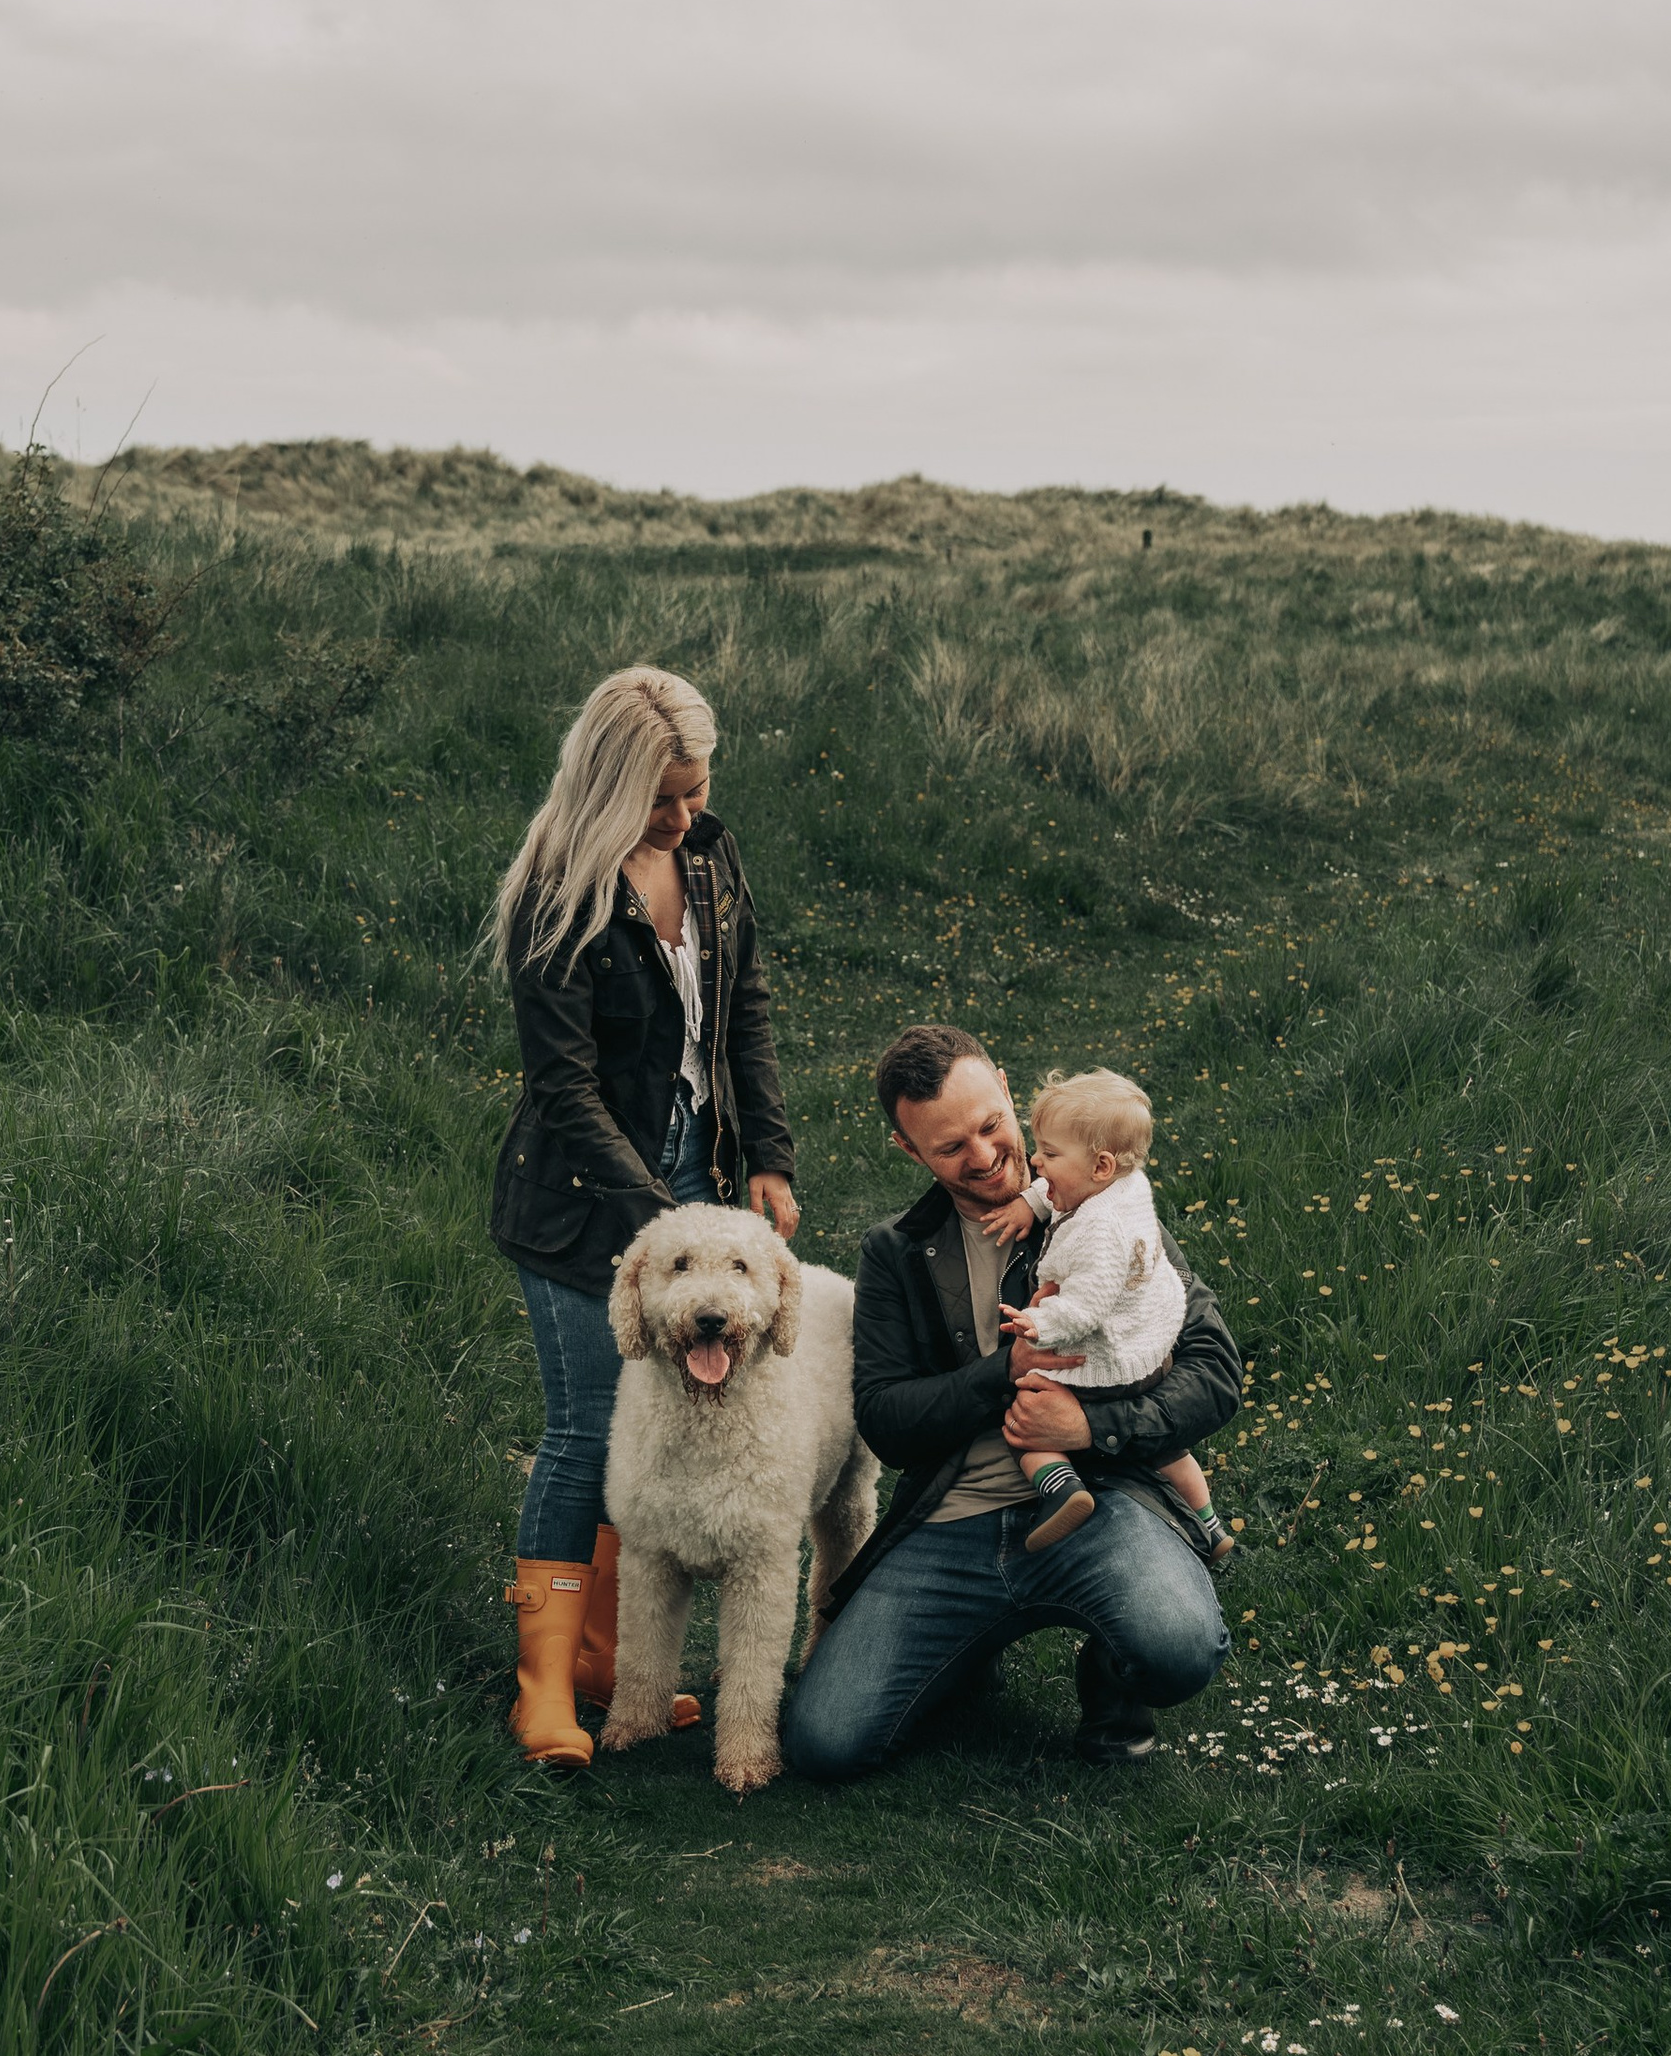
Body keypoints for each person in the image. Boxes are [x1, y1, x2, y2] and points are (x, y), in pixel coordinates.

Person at [779, 1026, 1237, 1782]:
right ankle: (966, 1651)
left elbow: (1214, 1368)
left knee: (1179, 1646)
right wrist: (1006, 1372)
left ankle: (1111, 1682)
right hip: (951, 1520)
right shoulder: (894, 1249)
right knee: (825, 1745)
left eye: (992, 1125)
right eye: (951, 1147)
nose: (986, 1156)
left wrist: (1088, 1425)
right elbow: (887, 1423)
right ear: (908, 1151)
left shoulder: (1100, 1204)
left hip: (1098, 1499)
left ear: (1002, 1080)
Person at [487, 665, 801, 1766]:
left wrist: (766, 1155)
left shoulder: (707, 855)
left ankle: (605, 1669)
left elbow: (744, 1009)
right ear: (610, 787)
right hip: (581, 1196)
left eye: (695, 793)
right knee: (584, 1429)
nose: (682, 818)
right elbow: (564, 1090)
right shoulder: (555, 889)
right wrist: (655, 1226)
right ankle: (544, 1692)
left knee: (660, 1422)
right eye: (660, 801)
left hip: (699, 1170)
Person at [977, 1068, 1233, 1563]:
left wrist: (1040, 1323)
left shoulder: (1100, 1234)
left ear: (1100, 1165)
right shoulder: (1122, 1188)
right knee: (1170, 1451)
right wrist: (1033, 1203)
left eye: (1049, 1154)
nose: (1035, 1161)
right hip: (1152, 1354)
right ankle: (1210, 1524)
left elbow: (1087, 1306)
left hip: (1112, 1359)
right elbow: (1056, 1194)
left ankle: (1060, 1488)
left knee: (1026, 1414)